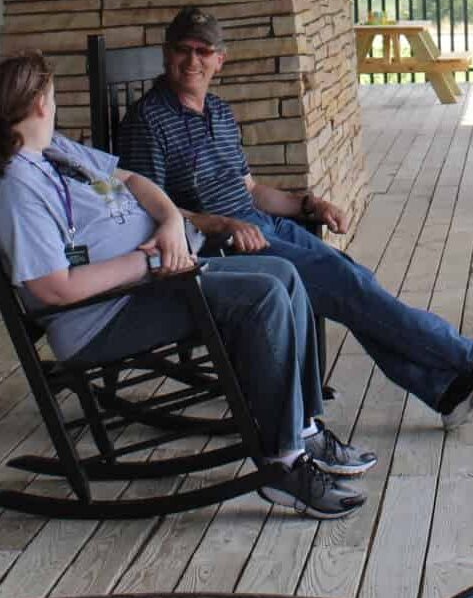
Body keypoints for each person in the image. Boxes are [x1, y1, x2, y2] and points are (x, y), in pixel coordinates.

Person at [0, 50, 378, 520]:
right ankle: (282, 463)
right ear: (39, 103)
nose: (55, 106)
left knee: (282, 272)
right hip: (105, 313)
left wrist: (169, 224)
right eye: (53, 97)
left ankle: (302, 429)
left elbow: (135, 180)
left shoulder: (55, 148)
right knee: (259, 297)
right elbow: (55, 290)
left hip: (162, 271)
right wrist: (147, 261)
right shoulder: (18, 187)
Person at [117, 7, 473, 430]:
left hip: (260, 225)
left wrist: (307, 204)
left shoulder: (219, 113)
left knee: (353, 280)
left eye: (204, 51)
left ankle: (447, 392)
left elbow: (250, 190)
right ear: (166, 54)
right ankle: (468, 358)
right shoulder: (148, 121)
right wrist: (220, 224)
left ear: (219, 60)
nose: (193, 61)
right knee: (348, 285)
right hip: (225, 247)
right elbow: (144, 209)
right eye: (183, 50)